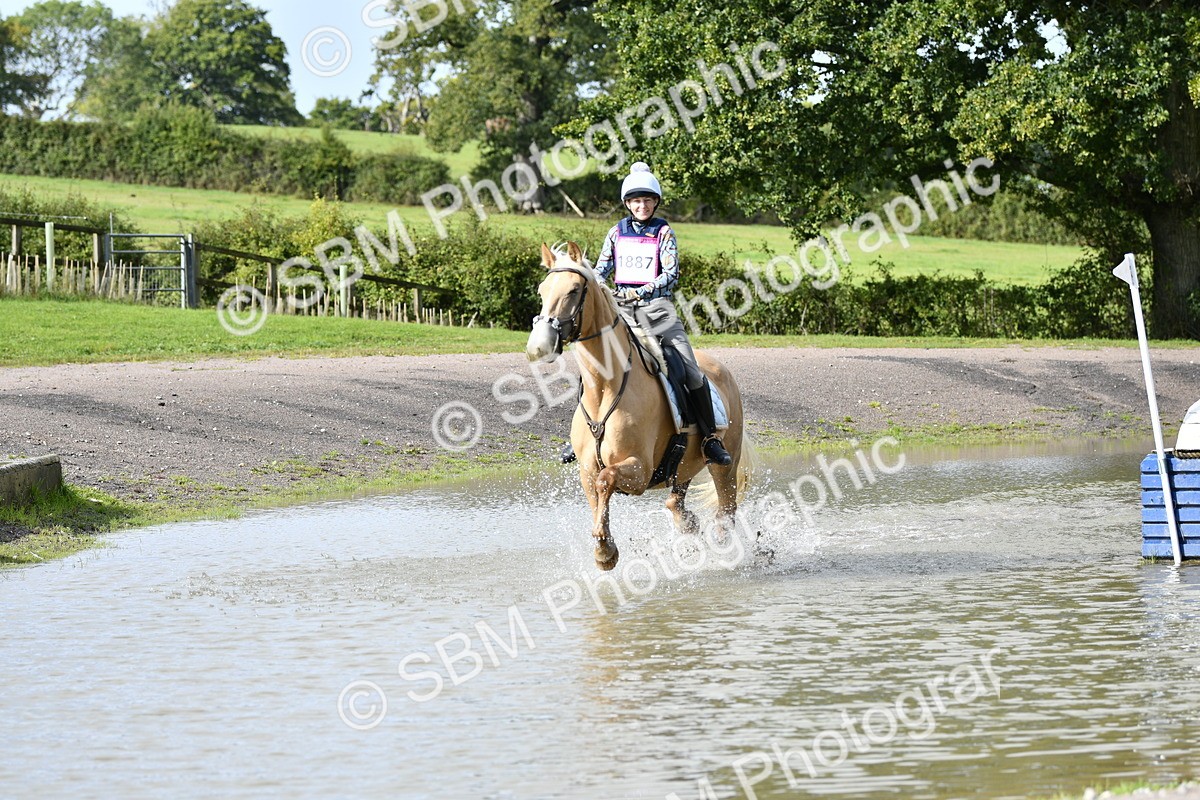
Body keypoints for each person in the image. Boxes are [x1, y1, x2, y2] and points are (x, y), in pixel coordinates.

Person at [560, 161, 733, 467]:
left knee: (689, 368)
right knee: (592, 366)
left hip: (657, 311)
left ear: (655, 203)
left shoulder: (663, 231)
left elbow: (670, 273)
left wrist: (639, 292)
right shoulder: (616, 232)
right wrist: (598, 282)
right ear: (628, 204)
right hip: (621, 311)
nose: (642, 206)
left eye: (648, 200)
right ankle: (581, 435)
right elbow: (602, 269)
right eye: (636, 201)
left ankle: (709, 438)